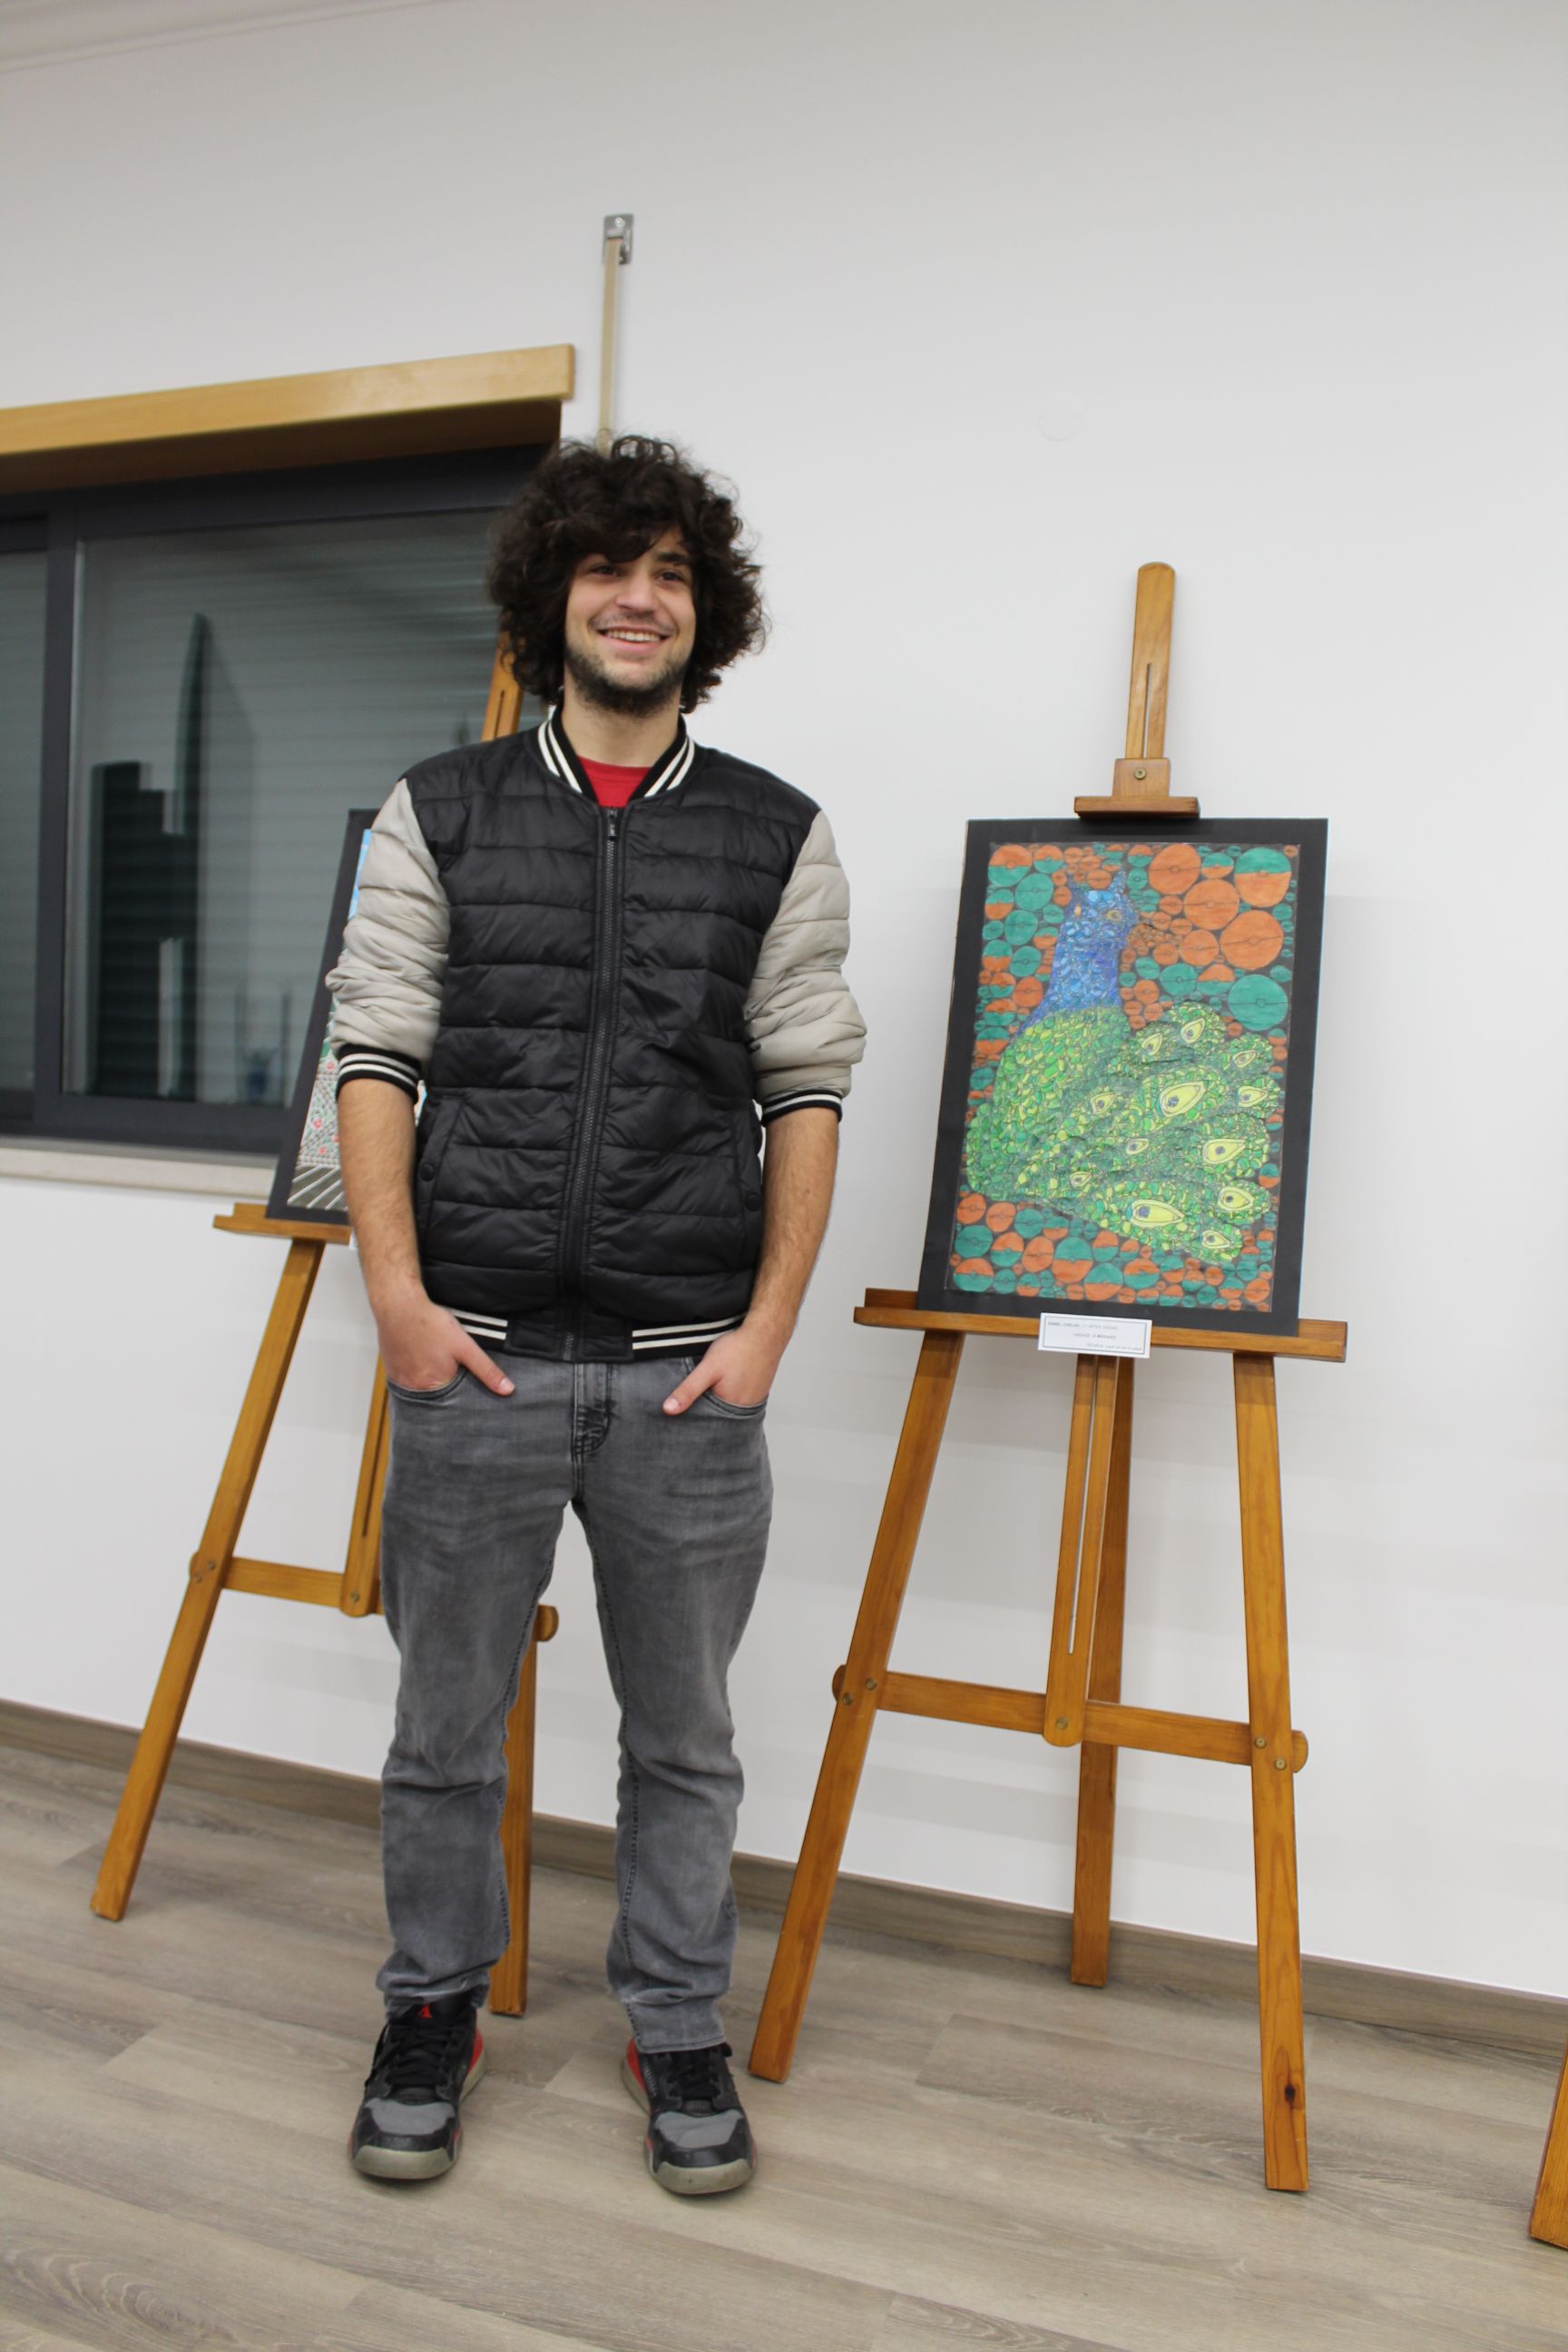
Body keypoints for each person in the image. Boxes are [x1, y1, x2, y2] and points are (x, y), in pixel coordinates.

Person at [325, 435, 865, 2194]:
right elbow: (377, 1053)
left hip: (683, 1378)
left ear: (707, 614)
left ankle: (676, 2019)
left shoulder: (776, 831)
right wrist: (399, 1304)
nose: (640, 599)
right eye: (607, 568)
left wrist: (766, 1334)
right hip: (471, 1361)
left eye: (672, 574)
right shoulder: (440, 809)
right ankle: (431, 2006)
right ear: (550, 596)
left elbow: (805, 1087)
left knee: (685, 1741)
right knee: (442, 1736)